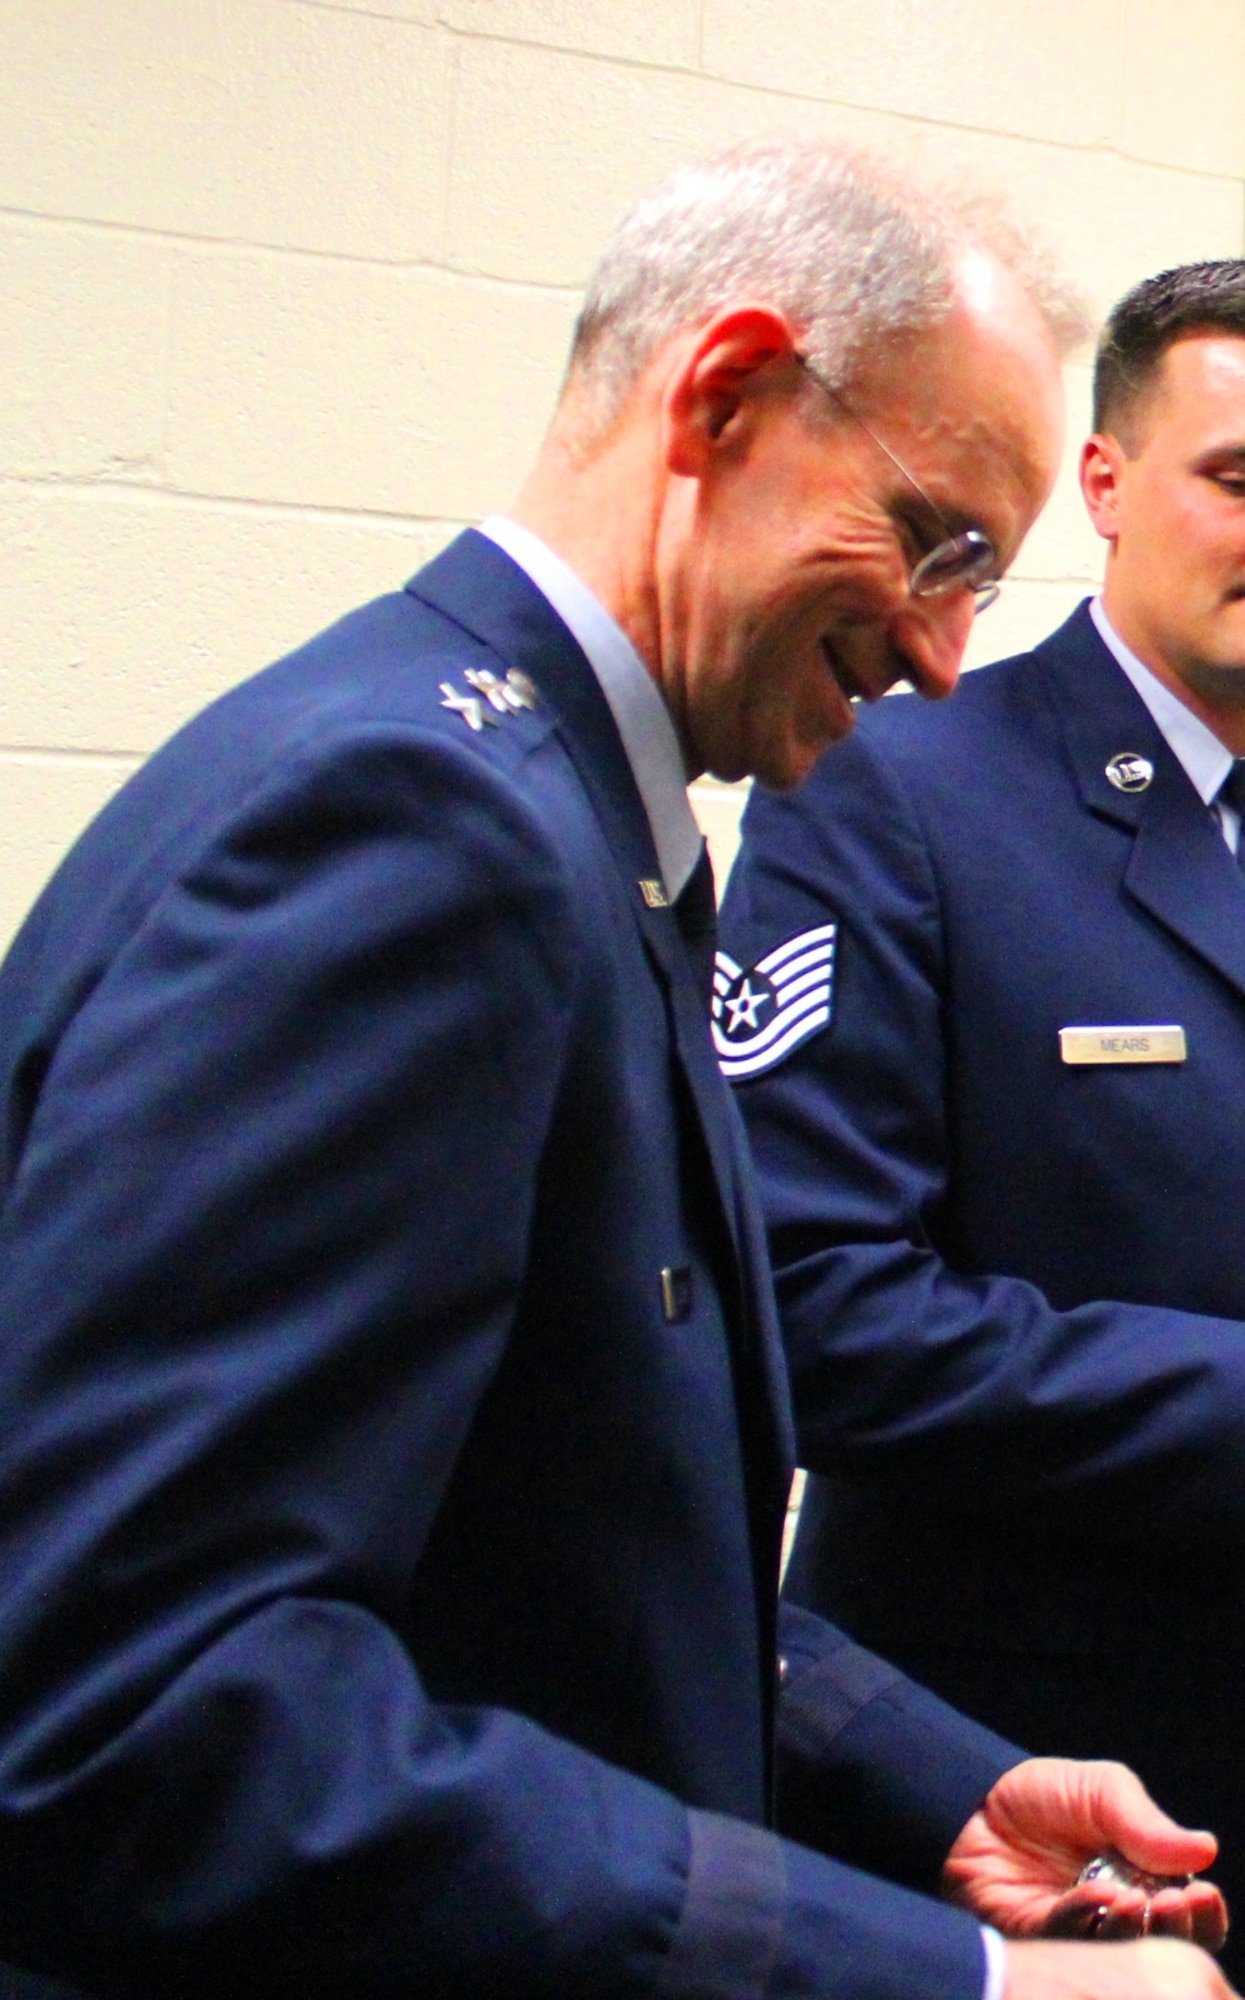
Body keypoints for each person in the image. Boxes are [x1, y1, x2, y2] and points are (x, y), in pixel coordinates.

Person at [0, 144, 1230, 2000]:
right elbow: (135, 1711)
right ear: (727, 399)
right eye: (934, 545)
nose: (938, 651)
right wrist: (950, 1984)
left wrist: (924, 1785)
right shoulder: (413, 828)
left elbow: (541, 1558)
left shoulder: (563, 815)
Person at [719, 256, 1245, 1985]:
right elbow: (812, 1308)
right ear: (1102, 485)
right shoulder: (897, 781)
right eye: (1236, 481)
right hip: (1032, 1785)